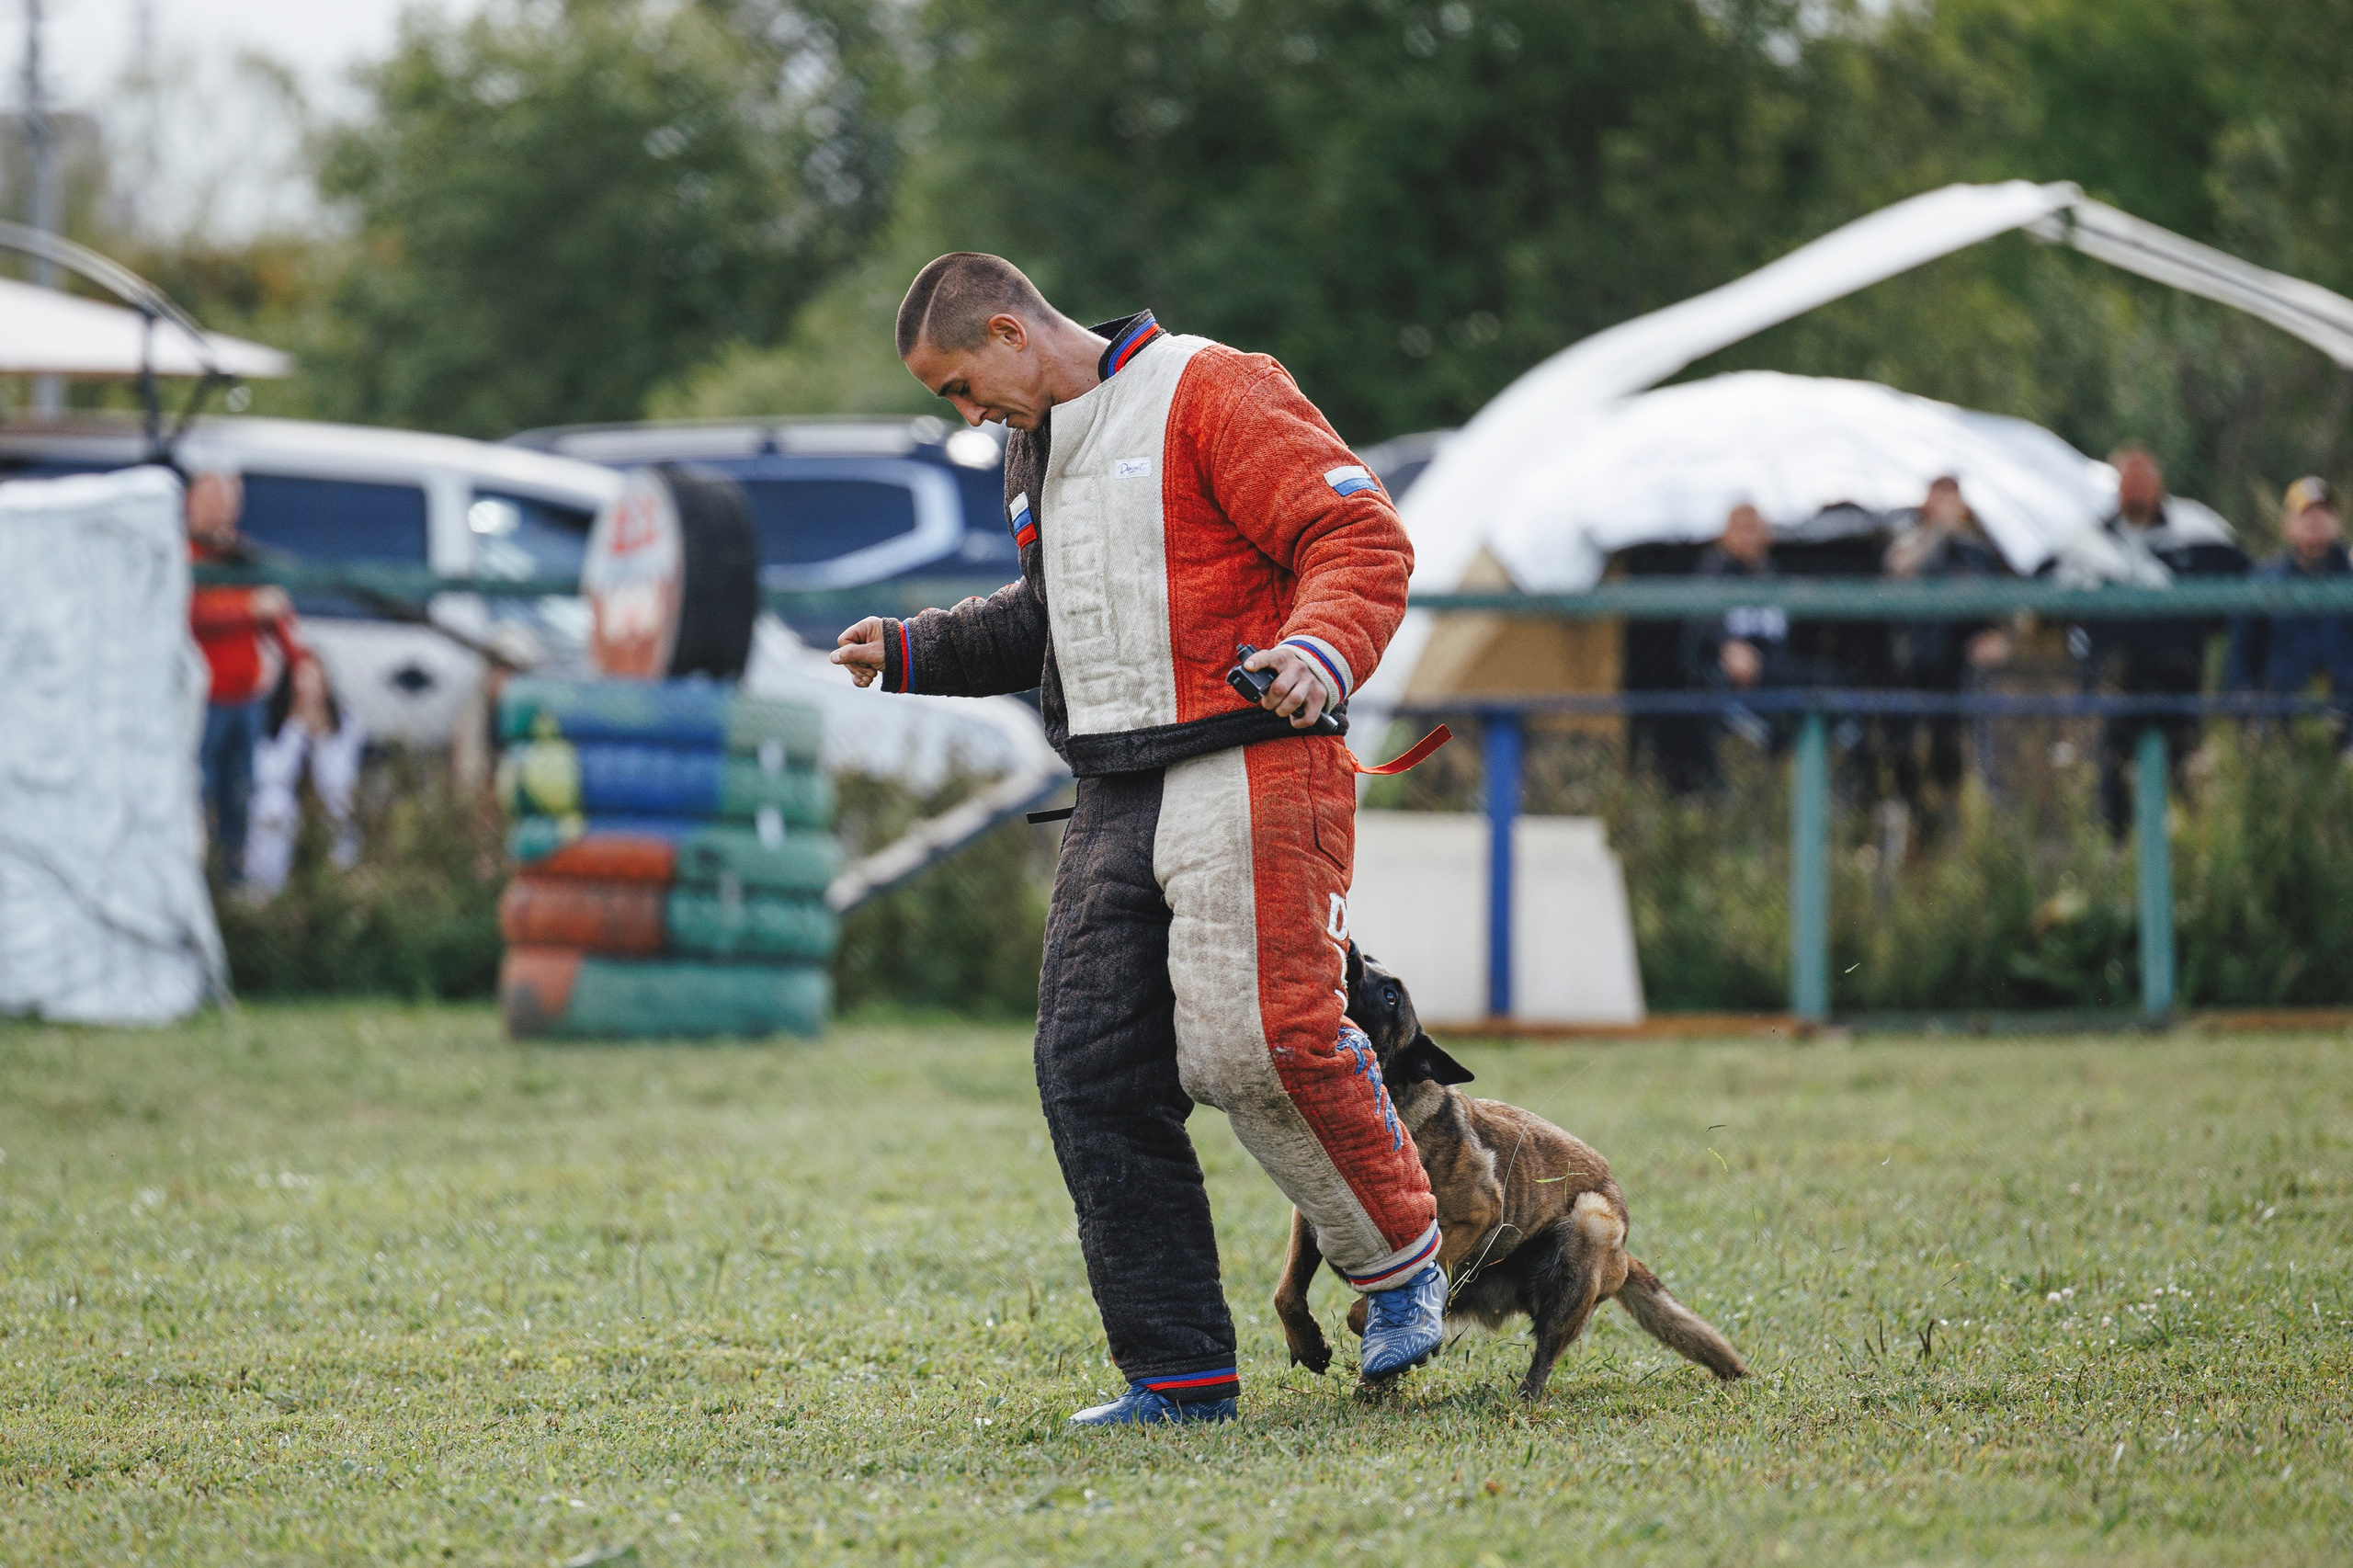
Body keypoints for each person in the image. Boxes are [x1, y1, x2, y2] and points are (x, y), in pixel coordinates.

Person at [830, 254, 1440, 1428]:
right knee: (1089, 1072)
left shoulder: (1214, 388)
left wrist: (1318, 650)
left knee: (1248, 1043)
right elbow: (1055, 621)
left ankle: (1405, 1257)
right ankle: (1177, 1374)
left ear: (1009, 332)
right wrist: (910, 651)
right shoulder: (1031, 445)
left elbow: (1358, 541)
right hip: (1114, 784)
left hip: (1253, 752)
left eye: (961, 387)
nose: (966, 415)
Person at [2074, 446, 2247, 838]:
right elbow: (2054, 598)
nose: (2135, 491)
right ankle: (2119, 875)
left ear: (2159, 484)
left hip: (2178, 684)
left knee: (2185, 795)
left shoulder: (2197, 531)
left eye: (2143, 481)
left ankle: (2187, 875)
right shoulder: (2090, 540)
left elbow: (2242, 592)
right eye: (2127, 482)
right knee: (2112, 798)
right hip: (2114, 689)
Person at [187, 469, 299, 884]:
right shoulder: (184, 555)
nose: (222, 510)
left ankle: (233, 884)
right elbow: (192, 614)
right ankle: (196, 884)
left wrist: (299, 661)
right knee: (197, 797)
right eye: (212, 499)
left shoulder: (243, 555)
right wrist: (249, 609)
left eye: (228, 500)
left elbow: (279, 615)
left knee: (241, 798)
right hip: (202, 701)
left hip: (246, 700)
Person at [1879, 477, 2010, 813]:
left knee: (1958, 756)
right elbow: (1897, 570)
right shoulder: (1906, 537)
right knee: (1904, 753)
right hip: (1911, 668)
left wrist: (1999, 636)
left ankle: (1966, 819)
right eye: (1939, 498)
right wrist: (1938, 530)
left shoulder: (1980, 550)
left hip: (1965, 675)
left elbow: (2007, 606)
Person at [2226, 477, 2353, 749]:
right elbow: (2241, 656)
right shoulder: (2263, 582)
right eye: (2306, 513)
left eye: (2324, 512)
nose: (2316, 520)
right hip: (2280, 718)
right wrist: (2247, 711)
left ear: (2337, 520)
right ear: (2287, 524)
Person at [1678, 503, 1791, 772]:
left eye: (1755, 529)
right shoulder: (1713, 573)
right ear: (1724, 535)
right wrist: (1726, 645)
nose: (1749, 537)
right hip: (1722, 695)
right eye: (1742, 529)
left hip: (1773, 690)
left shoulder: (1772, 576)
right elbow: (1697, 638)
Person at [244, 653, 366, 895]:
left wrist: (322, 738)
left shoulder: (346, 722)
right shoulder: (270, 720)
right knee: (273, 806)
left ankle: (335, 882)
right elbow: (270, 775)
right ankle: (267, 888)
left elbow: (339, 779)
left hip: (324, 804)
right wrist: (295, 731)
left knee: (338, 808)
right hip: (281, 806)